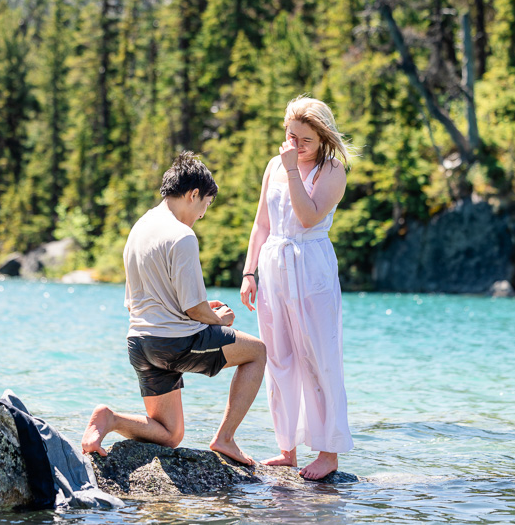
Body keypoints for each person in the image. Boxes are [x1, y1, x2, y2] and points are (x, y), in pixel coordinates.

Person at [82, 152, 267, 466]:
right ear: (193, 194)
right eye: (205, 204)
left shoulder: (140, 229)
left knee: (170, 435)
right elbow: (195, 310)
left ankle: (109, 419)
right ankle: (225, 438)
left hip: (139, 343)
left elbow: (143, 299)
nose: (202, 214)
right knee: (257, 351)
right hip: (175, 344)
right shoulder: (182, 236)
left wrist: (197, 311)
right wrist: (219, 318)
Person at [239, 96, 354, 480]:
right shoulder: (274, 164)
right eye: (291, 136)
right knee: (279, 357)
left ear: (322, 138)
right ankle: (286, 448)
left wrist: (292, 171)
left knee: (318, 355)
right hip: (273, 265)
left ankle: (328, 453)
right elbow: (262, 224)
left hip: (311, 266)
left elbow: (306, 217)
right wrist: (249, 272)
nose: (296, 145)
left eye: (304, 139)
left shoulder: (333, 170)